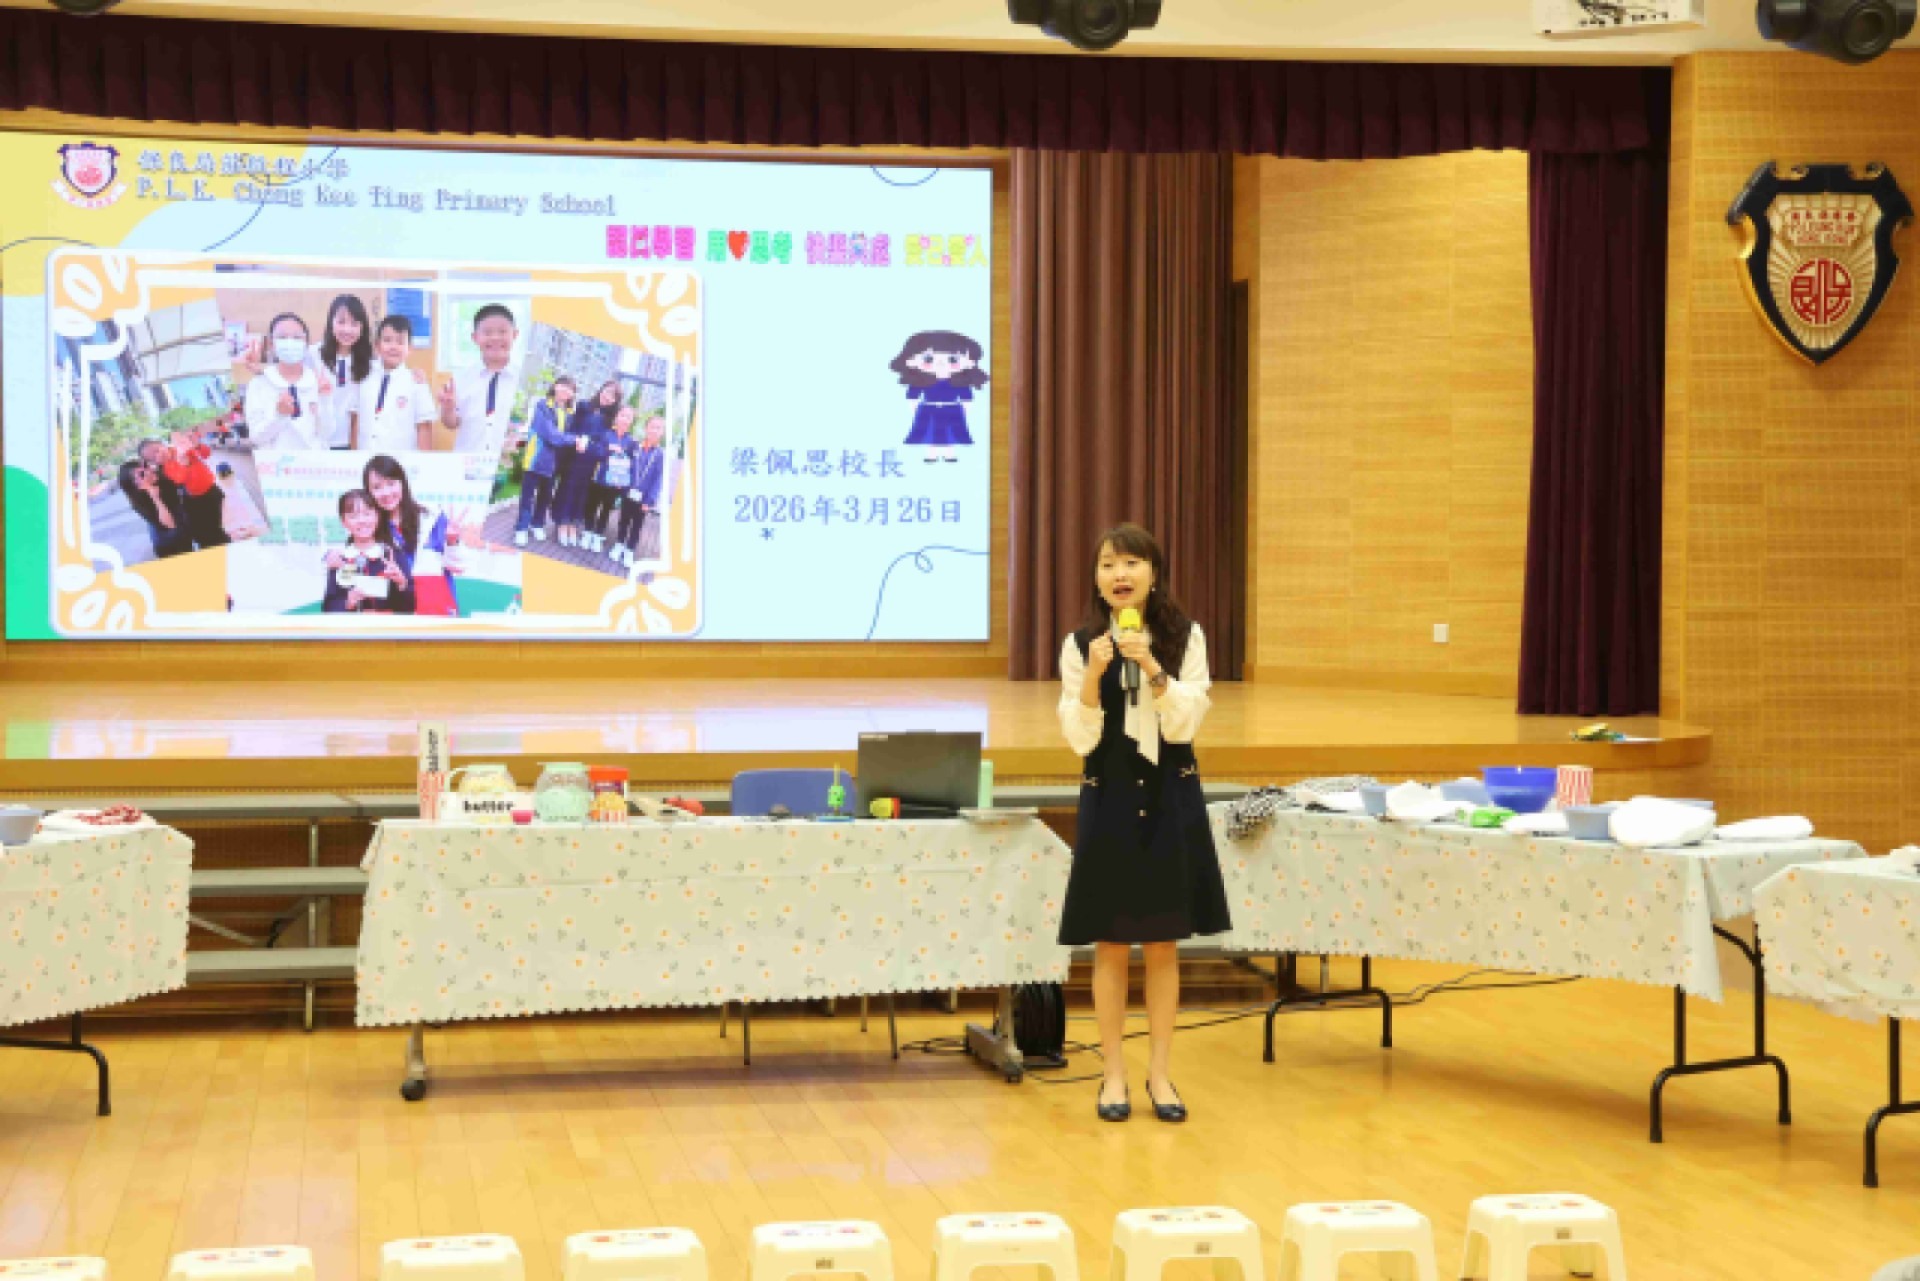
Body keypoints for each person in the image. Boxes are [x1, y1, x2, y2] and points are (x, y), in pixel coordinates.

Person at [1056, 522, 1229, 1125]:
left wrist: (1152, 667)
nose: (1119, 575)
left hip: (1169, 796)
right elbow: (1080, 738)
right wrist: (1094, 675)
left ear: (1154, 574)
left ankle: (1159, 1074)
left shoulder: (1186, 637)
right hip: (1107, 798)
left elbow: (1184, 725)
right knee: (1109, 943)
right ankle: (1113, 1074)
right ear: (1097, 579)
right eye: (1107, 565)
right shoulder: (1081, 644)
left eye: (1131, 563)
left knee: (1162, 944)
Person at [363, 455, 460, 617]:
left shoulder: (431, 517)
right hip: (394, 610)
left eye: (391, 483)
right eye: (377, 487)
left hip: (434, 605)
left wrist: (452, 541)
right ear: (369, 492)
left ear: (402, 483)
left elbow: (456, 565)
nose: (386, 492)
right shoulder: (369, 528)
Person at [889, 330, 989, 463]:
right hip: (928, 409)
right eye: (928, 359)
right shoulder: (921, 382)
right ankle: (932, 455)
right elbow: (912, 397)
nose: (940, 363)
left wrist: (963, 412)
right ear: (911, 361)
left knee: (950, 433)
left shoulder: (960, 383)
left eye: (952, 359)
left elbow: (967, 399)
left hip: (952, 409)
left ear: (970, 362)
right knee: (930, 433)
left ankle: (949, 455)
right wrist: (917, 411)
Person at [436, 303, 520, 458]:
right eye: (487, 332)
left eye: (502, 332)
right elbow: (451, 424)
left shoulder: (524, 381)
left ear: (514, 334)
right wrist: (448, 409)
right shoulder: (460, 379)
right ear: (475, 338)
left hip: (508, 465)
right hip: (467, 462)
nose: (495, 337)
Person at [244, 313, 330, 450]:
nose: (290, 342)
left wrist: (325, 400)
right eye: (282, 337)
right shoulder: (259, 384)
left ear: (306, 343)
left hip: (312, 461)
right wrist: (279, 416)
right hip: (274, 461)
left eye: (297, 337)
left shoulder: (317, 382)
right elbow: (256, 436)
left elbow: (327, 433)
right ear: (271, 344)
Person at [323, 488, 413, 613]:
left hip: (387, 625)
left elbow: (409, 608)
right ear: (344, 522)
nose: (362, 521)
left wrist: (402, 583)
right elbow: (329, 607)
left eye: (367, 514)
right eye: (353, 516)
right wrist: (348, 603)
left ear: (377, 516)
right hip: (351, 626)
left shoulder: (393, 555)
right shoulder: (339, 559)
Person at [355, 315, 434, 453]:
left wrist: (424, 462)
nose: (393, 347)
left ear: (410, 348)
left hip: (401, 460)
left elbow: (424, 426)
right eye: (387, 340)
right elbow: (355, 418)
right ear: (377, 346)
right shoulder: (364, 376)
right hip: (366, 456)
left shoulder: (416, 382)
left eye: (400, 342)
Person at [514, 375, 576, 547]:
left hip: (555, 463)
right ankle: (521, 528)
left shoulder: (570, 413)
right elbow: (551, 435)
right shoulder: (542, 406)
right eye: (563, 385)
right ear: (555, 386)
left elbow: (568, 435)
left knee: (545, 496)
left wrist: (574, 439)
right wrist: (573, 440)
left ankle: (537, 524)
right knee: (528, 497)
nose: (566, 390)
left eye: (570, 389)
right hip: (536, 459)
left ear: (573, 394)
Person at [554, 380, 617, 549]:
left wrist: (591, 446)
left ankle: (573, 525)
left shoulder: (610, 420)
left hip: (590, 462)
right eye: (607, 391)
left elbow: (603, 446)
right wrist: (578, 440)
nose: (608, 397)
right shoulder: (584, 406)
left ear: (615, 401)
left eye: (613, 396)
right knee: (567, 490)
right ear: (601, 389)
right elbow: (572, 429)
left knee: (581, 494)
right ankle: (562, 524)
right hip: (575, 457)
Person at [315, 295, 373, 449]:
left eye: (354, 323)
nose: (347, 329)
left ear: (362, 327)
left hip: (349, 442)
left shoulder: (369, 362)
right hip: (316, 440)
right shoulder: (314, 354)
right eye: (341, 322)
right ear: (331, 323)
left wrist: (415, 375)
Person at [160, 426, 231, 548]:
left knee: (215, 527)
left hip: (211, 491)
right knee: (205, 532)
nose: (181, 441)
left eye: (182, 438)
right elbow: (179, 479)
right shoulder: (167, 465)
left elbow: (206, 453)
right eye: (177, 440)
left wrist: (196, 445)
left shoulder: (187, 450)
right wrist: (183, 463)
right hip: (196, 499)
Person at [615, 414, 667, 570]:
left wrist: (650, 500)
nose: (654, 430)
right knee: (623, 520)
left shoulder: (660, 454)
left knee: (637, 525)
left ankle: (629, 550)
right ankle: (619, 544)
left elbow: (658, 479)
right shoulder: (635, 446)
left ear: (662, 432)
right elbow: (625, 464)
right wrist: (619, 480)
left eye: (659, 428)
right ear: (646, 428)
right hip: (628, 492)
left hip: (644, 498)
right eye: (652, 426)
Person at [117, 457, 191, 559]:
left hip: (184, 533)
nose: (148, 472)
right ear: (136, 485)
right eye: (142, 474)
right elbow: (170, 525)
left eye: (145, 467)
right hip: (168, 544)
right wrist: (156, 498)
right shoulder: (140, 503)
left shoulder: (161, 479)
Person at [588, 405, 636, 557]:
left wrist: (624, 483)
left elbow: (632, 464)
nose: (624, 419)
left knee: (606, 510)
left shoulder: (632, 442)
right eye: (622, 415)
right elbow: (596, 453)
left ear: (631, 421)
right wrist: (609, 449)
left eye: (628, 417)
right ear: (617, 417)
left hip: (615, 483)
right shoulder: (606, 434)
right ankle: (588, 532)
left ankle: (597, 536)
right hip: (599, 478)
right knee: (592, 506)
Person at [213, 462, 267, 540]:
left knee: (233, 519)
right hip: (237, 505)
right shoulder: (234, 480)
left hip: (229, 508)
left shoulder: (219, 484)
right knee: (242, 516)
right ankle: (246, 529)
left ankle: (241, 530)